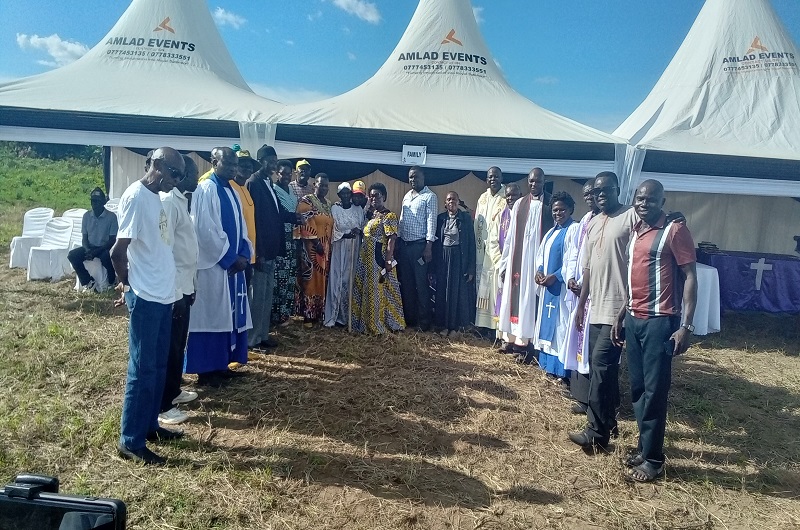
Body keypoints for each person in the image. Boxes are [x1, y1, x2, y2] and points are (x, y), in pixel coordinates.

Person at [615, 179, 697, 482]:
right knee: (637, 390)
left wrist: (686, 326)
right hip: (634, 319)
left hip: (660, 322)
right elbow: (632, 279)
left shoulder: (674, 230)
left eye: (650, 199)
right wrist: (621, 314)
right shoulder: (636, 231)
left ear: (662, 202)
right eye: (639, 198)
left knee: (654, 392)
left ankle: (653, 460)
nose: (643, 203)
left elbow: (690, 276)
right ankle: (643, 447)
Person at [111, 146, 183, 465]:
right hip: (145, 296)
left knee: (157, 364)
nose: (177, 181)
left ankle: (150, 426)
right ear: (156, 165)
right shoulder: (136, 196)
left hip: (162, 293)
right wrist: (127, 282)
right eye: (175, 174)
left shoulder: (155, 197)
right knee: (141, 369)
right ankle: (130, 440)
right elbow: (118, 250)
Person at [570, 171, 639, 449]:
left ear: (617, 189)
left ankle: (595, 433)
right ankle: (608, 423)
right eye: (596, 191)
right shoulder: (593, 222)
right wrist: (580, 306)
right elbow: (587, 268)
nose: (600, 195)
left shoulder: (631, 216)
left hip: (618, 309)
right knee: (605, 370)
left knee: (600, 367)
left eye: (605, 190)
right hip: (595, 307)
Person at [185, 147, 252, 387]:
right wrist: (230, 258)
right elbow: (204, 230)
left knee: (227, 317)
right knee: (213, 316)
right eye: (229, 164)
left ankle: (222, 364)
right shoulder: (207, 189)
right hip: (215, 267)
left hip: (233, 267)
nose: (234, 168)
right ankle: (206, 370)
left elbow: (242, 227)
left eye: (236, 164)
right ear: (214, 162)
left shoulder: (232, 191)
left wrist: (244, 253)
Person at [157, 155, 199, 426]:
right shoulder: (170, 202)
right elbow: (166, 249)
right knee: (169, 347)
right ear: (183, 176)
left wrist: (190, 285)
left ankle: (174, 390)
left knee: (178, 343)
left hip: (185, 282)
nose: (198, 177)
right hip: (174, 286)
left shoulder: (181, 200)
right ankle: (163, 405)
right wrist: (175, 291)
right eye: (195, 173)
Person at [246, 150, 300, 348]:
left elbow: (277, 213)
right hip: (261, 250)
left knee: (267, 295)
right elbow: (255, 220)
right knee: (257, 296)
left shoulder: (268, 183)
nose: (273, 165)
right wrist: (258, 252)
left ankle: (262, 336)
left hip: (272, 249)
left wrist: (295, 218)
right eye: (270, 161)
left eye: (275, 162)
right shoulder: (254, 183)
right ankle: (252, 340)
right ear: (260, 161)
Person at [496, 169, 547, 359]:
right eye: (531, 181)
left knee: (529, 302)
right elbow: (510, 238)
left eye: (538, 181)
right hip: (517, 261)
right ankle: (510, 339)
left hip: (535, 262)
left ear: (544, 182)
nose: (534, 185)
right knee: (514, 299)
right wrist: (505, 264)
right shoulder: (519, 203)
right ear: (528, 182)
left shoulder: (548, 205)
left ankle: (525, 343)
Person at [563, 182, 600, 414]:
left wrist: (586, 285)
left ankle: (596, 400)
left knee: (593, 347)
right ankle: (581, 396)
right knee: (579, 341)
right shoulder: (584, 222)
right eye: (586, 194)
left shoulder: (608, 219)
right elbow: (573, 254)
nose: (590, 197)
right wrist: (570, 279)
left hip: (596, 293)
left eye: (594, 193)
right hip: (578, 290)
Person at [533, 191, 578, 379]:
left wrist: (556, 276)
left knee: (561, 327)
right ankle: (546, 366)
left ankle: (561, 370)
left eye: (562, 210)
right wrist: (539, 271)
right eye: (555, 210)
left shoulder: (573, 229)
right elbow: (541, 255)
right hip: (548, 288)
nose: (558, 213)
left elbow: (572, 261)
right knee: (547, 325)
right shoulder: (552, 232)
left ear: (570, 210)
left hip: (560, 290)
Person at [352, 183, 405, 334]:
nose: (374, 198)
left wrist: (388, 261)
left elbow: (391, 240)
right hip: (365, 259)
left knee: (378, 291)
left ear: (384, 197)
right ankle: (364, 324)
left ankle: (378, 325)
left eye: (378, 195)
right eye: (372, 196)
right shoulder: (370, 215)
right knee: (366, 290)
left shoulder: (389, 216)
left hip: (378, 259)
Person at [398, 166, 438, 331]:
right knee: (407, 284)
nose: (413, 180)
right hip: (405, 246)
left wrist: (429, 246)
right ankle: (410, 319)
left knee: (421, 285)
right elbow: (401, 220)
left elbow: (431, 221)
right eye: (410, 177)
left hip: (420, 247)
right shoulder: (407, 196)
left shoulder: (430, 197)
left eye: (416, 177)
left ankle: (424, 322)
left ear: (423, 177)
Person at [433, 191, 476, 336]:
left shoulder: (465, 219)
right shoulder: (440, 218)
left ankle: (455, 328)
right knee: (443, 292)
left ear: (458, 202)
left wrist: (470, 268)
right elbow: (435, 243)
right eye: (449, 199)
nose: (451, 202)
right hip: (443, 259)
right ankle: (444, 326)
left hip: (459, 259)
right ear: (445, 203)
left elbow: (471, 244)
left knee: (456, 293)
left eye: (454, 199)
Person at [324, 182, 365, 328]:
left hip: (354, 249)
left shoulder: (358, 209)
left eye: (349, 193)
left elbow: (362, 227)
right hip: (339, 247)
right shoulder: (334, 208)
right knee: (337, 279)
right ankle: (333, 315)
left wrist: (358, 231)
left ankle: (346, 317)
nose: (346, 196)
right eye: (344, 193)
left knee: (349, 280)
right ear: (339, 195)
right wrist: (346, 234)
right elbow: (333, 230)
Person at [296, 174, 334, 326]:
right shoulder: (307, 201)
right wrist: (316, 242)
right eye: (321, 185)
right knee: (311, 279)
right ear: (314, 185)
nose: (323, 188)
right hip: (312, 248)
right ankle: (307, 315)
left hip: (325, 249)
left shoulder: (329, 204)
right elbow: (303, 221)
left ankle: (318, 313)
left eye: (326, 185)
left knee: (322, 280)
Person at [474, 167, 506, 333]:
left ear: (501, 178)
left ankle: (496, 326)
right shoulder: (483, 198)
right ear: (486, 179)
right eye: (490, 177)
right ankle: (482, 325)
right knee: (482, 286)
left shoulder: (506, 197)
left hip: (497, 251)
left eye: (496, 176)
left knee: (496, 287)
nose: (493, 179)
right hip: (482, 249)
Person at [68, 188, 118, 291]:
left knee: (106, 257)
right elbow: (84, 238)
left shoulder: (111, 217)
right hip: (90, 247)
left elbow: (112, 240)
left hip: (104, 248)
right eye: (92, 201)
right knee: (72, 255)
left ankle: (112, 281)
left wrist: (96, 252)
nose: (94, 204)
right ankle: (88, 282)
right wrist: (87, 250)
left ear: (103, 202)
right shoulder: (86, 216)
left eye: (97, 201)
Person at [491, 183, 522, 348]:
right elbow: (493, 241)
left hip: (519, 270)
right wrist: (500, 264)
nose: (510, 198)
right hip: (503, 267)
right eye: (508, 196)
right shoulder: (501, 216)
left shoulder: (525, 215)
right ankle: (504, 339)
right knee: (504, 304)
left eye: (514, 195)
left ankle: (517, 340)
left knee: (516, 304)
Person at [271, 159, 300, 328]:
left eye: (289, 174)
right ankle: (275, 315)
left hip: (292, 236)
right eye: (283, 173)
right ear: (277, 173)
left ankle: (285, 313)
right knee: (278, 275)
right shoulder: (274, 190)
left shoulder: (290, 190)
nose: (286, 177)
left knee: (289, 275)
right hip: (280, 235)